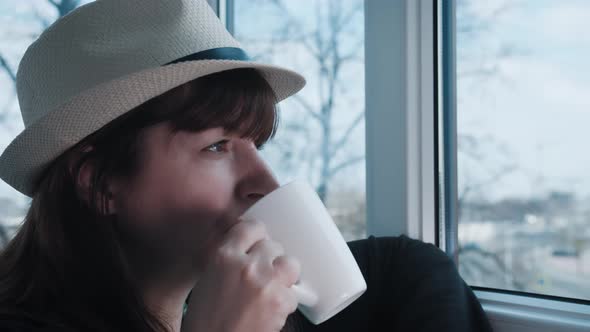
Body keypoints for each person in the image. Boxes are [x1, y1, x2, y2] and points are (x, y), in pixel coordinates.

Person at [0, 0, 493, 331]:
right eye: (217, 147)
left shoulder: (273, 298)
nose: (266, 182)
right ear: (99, 182)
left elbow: (412, 269)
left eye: (256, 143)